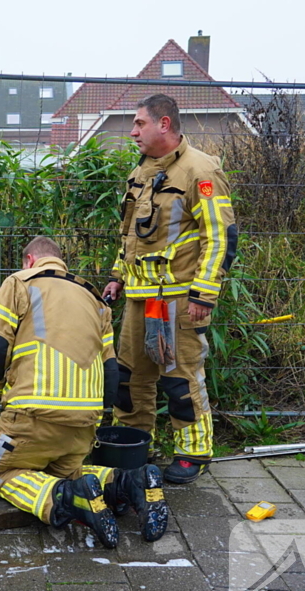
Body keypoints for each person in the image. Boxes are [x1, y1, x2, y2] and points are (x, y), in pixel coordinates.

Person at [0, 237, 169, 547]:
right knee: (68, 470)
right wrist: (95, 414)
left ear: (29, 260)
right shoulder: (96, 300)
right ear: (61, 261)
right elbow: (111, 372)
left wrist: (0, 388)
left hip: (31, 415)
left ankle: (68, 500)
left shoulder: (19, 283)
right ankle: (129, 482)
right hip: (83, 424)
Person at [101, 94, 238, 485]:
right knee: (130, 378)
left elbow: (221, 236)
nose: (132, 131)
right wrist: (116, 276)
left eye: (139, 123)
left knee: (180, 378)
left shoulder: (200, 170)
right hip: (139, 298)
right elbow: (130, 235)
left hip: (180, 298)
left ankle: (193, 454)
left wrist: (204, 294)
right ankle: (135, 444)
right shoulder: (141, 172)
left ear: (164, 124)